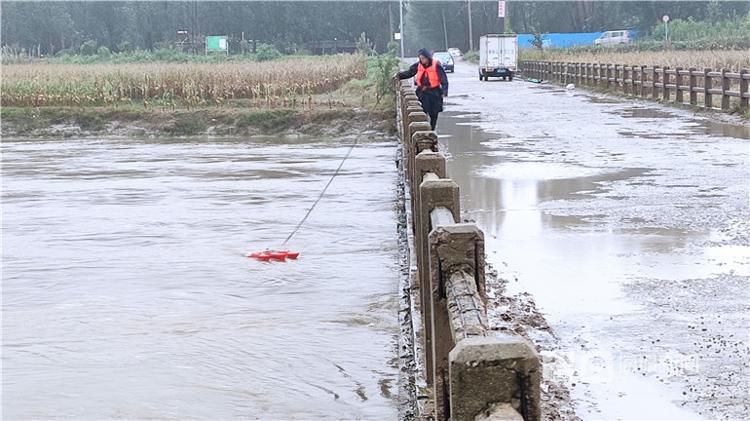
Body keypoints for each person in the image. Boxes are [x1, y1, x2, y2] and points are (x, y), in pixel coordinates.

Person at [395, 48, 449, 130]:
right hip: (422, 92)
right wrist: (399, 76)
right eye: (420, 58)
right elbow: (410, 72)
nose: (422, 60)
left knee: (434, 113)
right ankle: (424, 129)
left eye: (423, 58)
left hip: (434, 93)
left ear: (428, 57)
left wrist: (444, 91)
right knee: (422, 111)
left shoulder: (436, 65)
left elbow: (444, 79)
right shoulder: (418, 65)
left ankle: (432, 129)